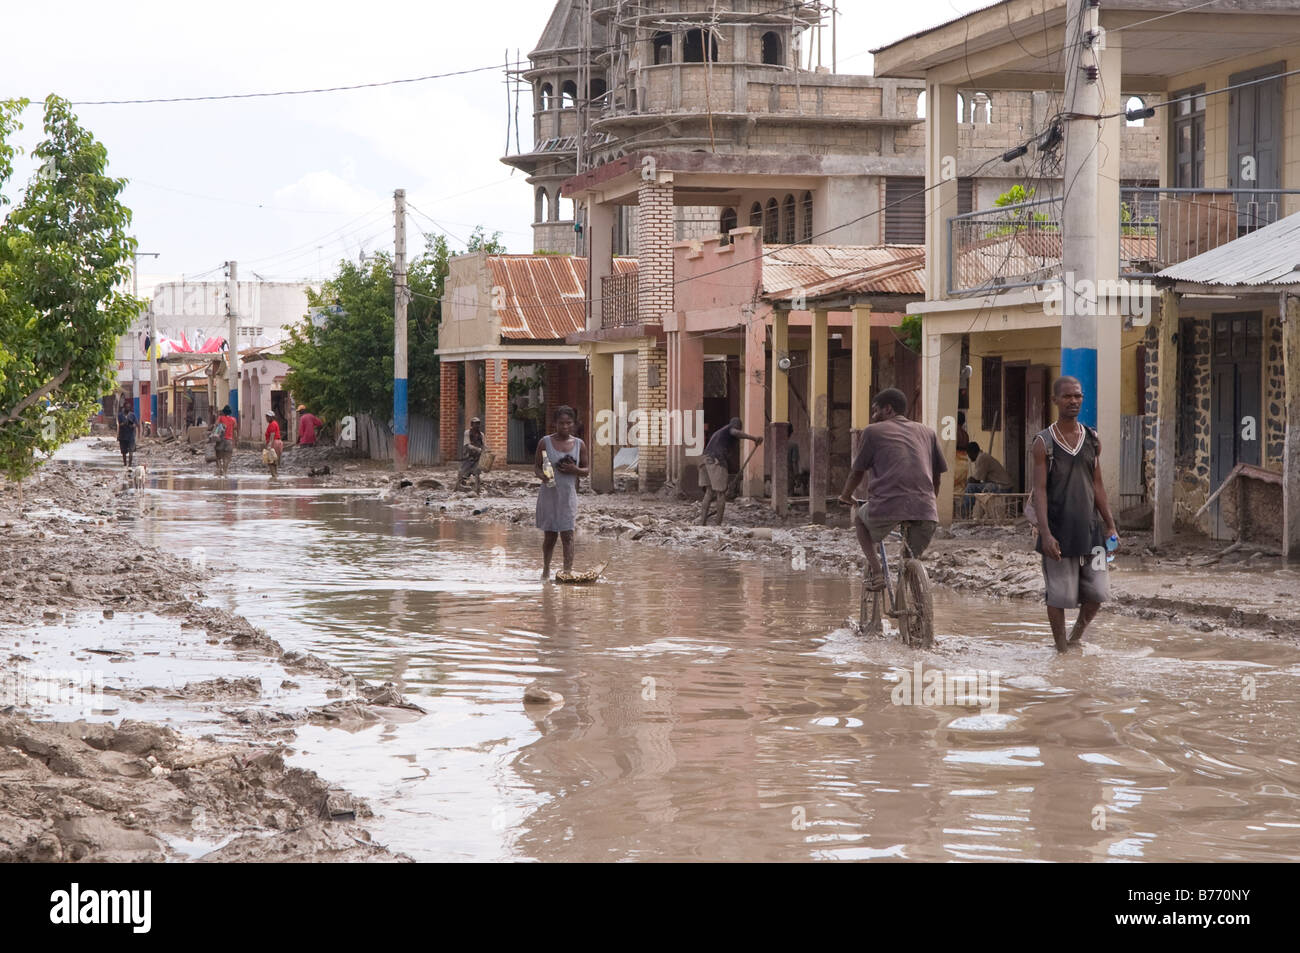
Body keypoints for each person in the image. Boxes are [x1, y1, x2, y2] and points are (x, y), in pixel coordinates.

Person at [1031, 376, 1119, 653]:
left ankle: (1075, 638)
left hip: (1091, 533)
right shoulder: (1043, 443)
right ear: (1055, 400)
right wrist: (1045, 534)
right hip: (1058, 531)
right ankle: (1061, 650)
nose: (1074, 401)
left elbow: (1098, 485)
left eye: (1078, 396)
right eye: (1067, 396)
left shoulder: (1092, 439)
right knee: (1059, 596)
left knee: (1097, 594)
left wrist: (1110, 525)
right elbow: (1040, 491)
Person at [836, 388, 947, 593]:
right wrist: (929, 502)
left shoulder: (872, 431)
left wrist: (845, 495)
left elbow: (857, 473)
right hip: (926, 509)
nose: (873, 416)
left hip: (887, 505)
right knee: (909, 561)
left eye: (875, 410)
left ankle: (878, 574)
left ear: (888, 409)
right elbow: (938, 476)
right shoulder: (928, 432)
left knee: (860, 520)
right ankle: (913, 601)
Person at [535, 405, 590, 580]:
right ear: (554, 424)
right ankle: (546, 569)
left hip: (568, 495)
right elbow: (536, 467)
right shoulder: (545, 442)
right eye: (561, 423)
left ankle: (567, 572)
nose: (565, 427)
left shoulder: (579, 444)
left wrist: (575, 469)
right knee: (550, 535)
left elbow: (587, 470)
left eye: (569, 423)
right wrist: (543, 476)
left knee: (568, 535)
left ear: (574, 424)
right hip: (549, 494)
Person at [698, 416, 763, 526]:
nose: (739, 431)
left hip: (704, 460)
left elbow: (728, 454)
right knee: (721, 494)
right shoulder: (730, 430)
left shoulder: (719, 433)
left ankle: (702, 523)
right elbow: (735, 432)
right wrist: (754, 438)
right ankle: (717, 525)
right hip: (716, 460)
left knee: (709, 492)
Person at [962, 440, 1014, 516]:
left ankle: (964, 515)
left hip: (1002, 486)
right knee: (980, 488)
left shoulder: (982, 458)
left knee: (970, 487)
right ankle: (977, 514)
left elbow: (976, 480)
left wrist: (968, 480)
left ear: (972, 452)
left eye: (968, 454)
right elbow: (978, 479)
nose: (969, 457)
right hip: (1000, 485)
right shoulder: (982, 457)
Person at [456, 417, 486, 494]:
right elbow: (467, 445)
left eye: (478, 424)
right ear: (472, 424)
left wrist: (486, 451)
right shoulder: (467, 433)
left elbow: (484, 445)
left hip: (477, 457)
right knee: (462, 472)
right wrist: (477, 449)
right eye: (475, 424)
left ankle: (477, 490)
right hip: (468, 456)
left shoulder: (481, 434)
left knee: (477, 473)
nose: (477, 425)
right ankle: (457, 488)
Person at [212, 405, 237, 477]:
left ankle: (219, 469)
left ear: (223, 412)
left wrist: (212, 436)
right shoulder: (233, 419)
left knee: (218, 457)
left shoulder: (220, 418)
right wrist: (235, 442)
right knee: (227, 458)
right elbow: (235, 431)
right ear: (230, 412)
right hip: (229, 441)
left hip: (220, 441)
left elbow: (215, 426)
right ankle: (225, 473)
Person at [263, 411, 284, 479]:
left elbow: (272, 435)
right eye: (266, 417)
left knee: (271, 462)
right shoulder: (274, 423)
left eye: (268, 417)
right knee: (274, 462)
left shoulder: (272, 424)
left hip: (274, 443)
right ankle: (275, 476)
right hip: (277, 442)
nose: (267, 418)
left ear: (272, 417)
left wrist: (269, 445)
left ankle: (274, 476)